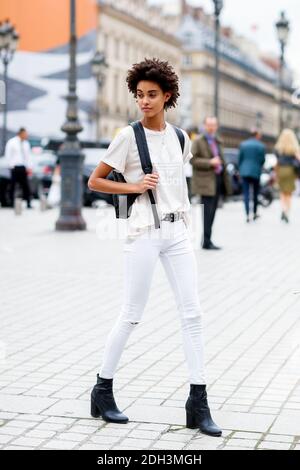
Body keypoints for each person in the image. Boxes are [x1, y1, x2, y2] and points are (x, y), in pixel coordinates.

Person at [88, 58, 222, 437]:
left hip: (178, 232)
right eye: (139, 95)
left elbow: (179, 187)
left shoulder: (182, 138)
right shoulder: (128, 136)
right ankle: (102, 388)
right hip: (143, 232)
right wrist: (133, 186)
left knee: (193, 314)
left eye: (151, 95)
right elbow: (95, 182)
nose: (144, 101)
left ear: (167, 96)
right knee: (132, 314)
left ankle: (198, 401)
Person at [190, 117, 231, 250]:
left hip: (218, 179)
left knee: (213, 212)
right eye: (209, 125)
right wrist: (210, 162)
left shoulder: (217, 140)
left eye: (213, 125)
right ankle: (206, 241)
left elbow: (221, 159)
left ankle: (207, 240)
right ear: (204, 126)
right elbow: (192, 160)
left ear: (217, 126)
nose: (211, 127)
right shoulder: (198, 141)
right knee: (207, 212)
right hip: (205, 181)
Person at [238, 129, 266, 223]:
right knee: (255, 193)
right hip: (256, 172)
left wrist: (240, 169)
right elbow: (262, 160)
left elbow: (240, 159)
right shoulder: (261, 145)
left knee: (246, 193)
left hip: (244, 171)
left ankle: (247, 214)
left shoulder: (243, 144)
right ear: (257, 135)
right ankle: (254, 213)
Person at [274, 128, 300, 223]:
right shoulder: (294, 148)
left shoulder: (279, 148)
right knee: (288, 193)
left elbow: (277, 161)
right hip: (290, 171)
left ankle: (283, 209)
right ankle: (287, 212)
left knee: (282, 192)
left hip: (281, 170)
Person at [5, 127, 32, 208]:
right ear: (20, 133)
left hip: (23, 167)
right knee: (12, 185)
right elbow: (8, 154)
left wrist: (29, 166)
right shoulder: (12, 142)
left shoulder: (26, 143)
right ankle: (11, 203)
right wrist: (10, 165)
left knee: (26, 186)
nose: (26, 135)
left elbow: (28, 157)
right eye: (25, 133)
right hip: (15, 167)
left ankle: (28, 203)